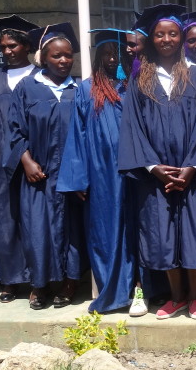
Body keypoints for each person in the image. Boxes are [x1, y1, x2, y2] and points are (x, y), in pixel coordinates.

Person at [118, 5, 196, 320]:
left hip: (194, 173)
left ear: (181, 38)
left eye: (172, 34)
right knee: (162, 235)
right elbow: (132, 128)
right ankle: (175, 297)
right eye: (159, 34)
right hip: (155, 176)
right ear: (151, 38)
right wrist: (153, 168)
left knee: (194, 232)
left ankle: (195, 296)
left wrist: (192, 168)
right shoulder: (138, 81)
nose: (166, 39)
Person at [57, 29, 144, 316]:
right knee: (105, 232)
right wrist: (78, 178)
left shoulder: (135, 85)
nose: (111, 58)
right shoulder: (86, 89)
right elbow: (77, 135)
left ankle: (141, 289)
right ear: (97, 57)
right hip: (101, 173)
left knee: (137, 228)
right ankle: (112, 293)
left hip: (135, 171)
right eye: (106, 53)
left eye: (117, 53)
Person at [7, 22, 86, 310]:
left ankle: (69, 283)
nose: (64, 61)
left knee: (72, 231)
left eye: (68, 55)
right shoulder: (27, 87)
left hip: (71, 178)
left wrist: (83, 176)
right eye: (56, 56)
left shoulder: (79, 89)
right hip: (38, 177)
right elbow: (14, 129)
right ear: (43, 58)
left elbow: (90, 135)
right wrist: (26, 161)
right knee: (37, 230)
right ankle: (39, 285)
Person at [0, 14, 38, 303]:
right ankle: (10, 280)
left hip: (33, 161)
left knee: (32, 219)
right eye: (3, 46)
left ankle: (35, 278)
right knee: (5, 220)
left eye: (13, 45)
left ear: (26, 46)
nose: (7, 51)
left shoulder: (39, 77)